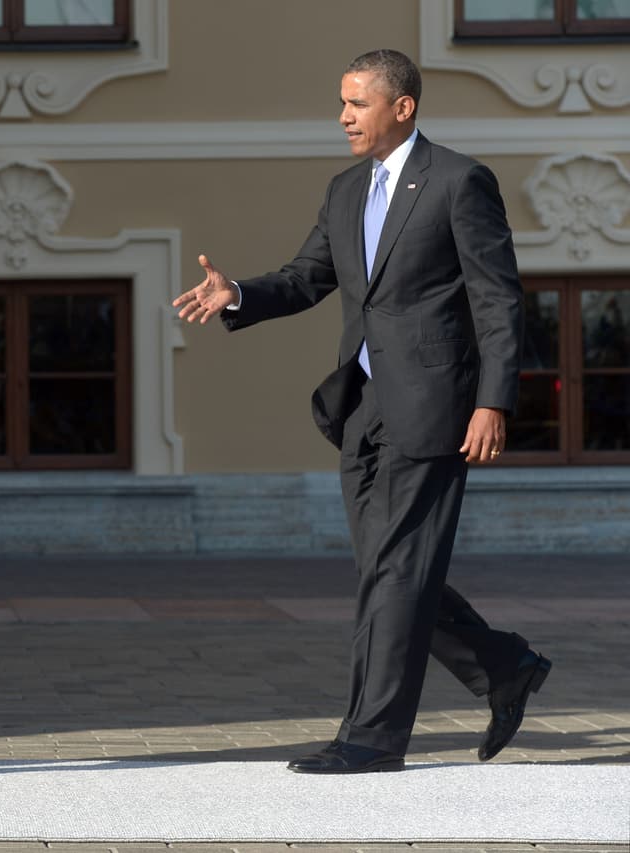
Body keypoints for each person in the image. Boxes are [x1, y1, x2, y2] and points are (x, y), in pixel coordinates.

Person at [173, 49, 550, 774]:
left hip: (439, 406)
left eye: (356, 103)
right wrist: (238, 294)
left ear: (401, 107)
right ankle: (505, 664)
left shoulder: (459, 181)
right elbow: (306, 277)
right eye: (340, 103)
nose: (343, 116)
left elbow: (498, 300)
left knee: (398, 570)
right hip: (363, 406)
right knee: (389, 568)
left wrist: (493, 400)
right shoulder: (345, 190)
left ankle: (372, 737)